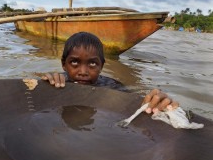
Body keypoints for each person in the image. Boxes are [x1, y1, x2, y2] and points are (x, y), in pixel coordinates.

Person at [42, 31, 179, 115]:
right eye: (74, 62)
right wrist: (46, 84)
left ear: (102, 66)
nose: (83, 72)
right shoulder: (60, 81)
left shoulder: (112, 86)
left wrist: (156, 102)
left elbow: (135, 102)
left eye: (92, 63)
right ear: (63, 64)